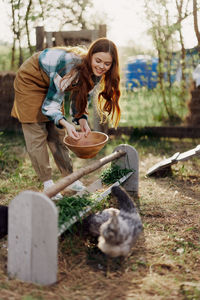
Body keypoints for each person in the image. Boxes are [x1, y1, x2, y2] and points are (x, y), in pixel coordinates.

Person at [11, 38, 121, 199]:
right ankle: (48, 185)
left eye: (107, 64)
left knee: (57, 132)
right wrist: (66, 123)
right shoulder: (70, 65)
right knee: (37, 131)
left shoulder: (96, 72)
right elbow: (50, 106)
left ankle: (69, 179)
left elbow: (81, 98)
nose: (101, 66)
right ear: (90, 56)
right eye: (98, 60)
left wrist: (82, 120)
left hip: (52, 81)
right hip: (31, 79)